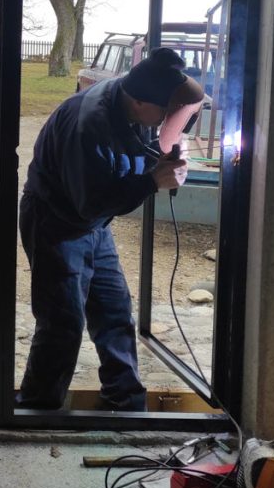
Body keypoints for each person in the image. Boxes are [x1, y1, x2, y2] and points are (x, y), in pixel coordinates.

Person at [16, 47, 204, 412]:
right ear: (138, 102)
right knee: (63, 322)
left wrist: (163, 158)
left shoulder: (134, 100)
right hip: (56, 220)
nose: (168, 118)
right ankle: (38, 409)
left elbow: (141, 146)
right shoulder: (89, 125)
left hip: (93, 223)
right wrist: (152, 181)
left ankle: (126, 402)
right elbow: (91, 201)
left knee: (115, 311)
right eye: (165, 112)